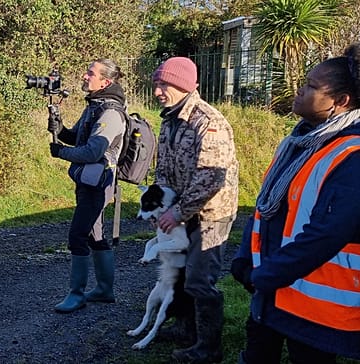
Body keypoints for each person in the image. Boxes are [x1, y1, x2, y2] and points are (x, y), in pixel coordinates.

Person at [231, 43, 360, 363]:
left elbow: (328, 233)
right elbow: (266, 209)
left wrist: (267, 275)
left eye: (312, 87)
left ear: (340, 102)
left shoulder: (352, 155)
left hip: (315, 308)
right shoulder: (298, 143)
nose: (300, 91)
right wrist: (245, 256)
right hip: (272, 293)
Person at [151, 56, 239, 363]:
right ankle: (185, 330)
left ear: (185, 85)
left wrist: (177, 212)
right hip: (180, 212)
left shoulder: (209, 121)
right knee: (180, 274)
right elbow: (161, 168)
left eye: (165, 84)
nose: (158, 91)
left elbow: (211, 178)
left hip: (210, 214)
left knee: (200, 280)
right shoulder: (169, 120)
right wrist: (163, 206)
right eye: (157, 84)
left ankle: (208, 348)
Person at [49, 59, 127, 313]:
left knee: (77, 236)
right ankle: (105, 290)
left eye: (90, 73)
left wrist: (62, 153)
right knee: (95, 235)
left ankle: (77, 294)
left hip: (99, 182)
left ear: (106, 82)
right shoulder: (95, 106)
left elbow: (94, 151)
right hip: (89, 181)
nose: (84, 76)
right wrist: (60, 129)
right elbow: (77, 138)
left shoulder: (111, 113)